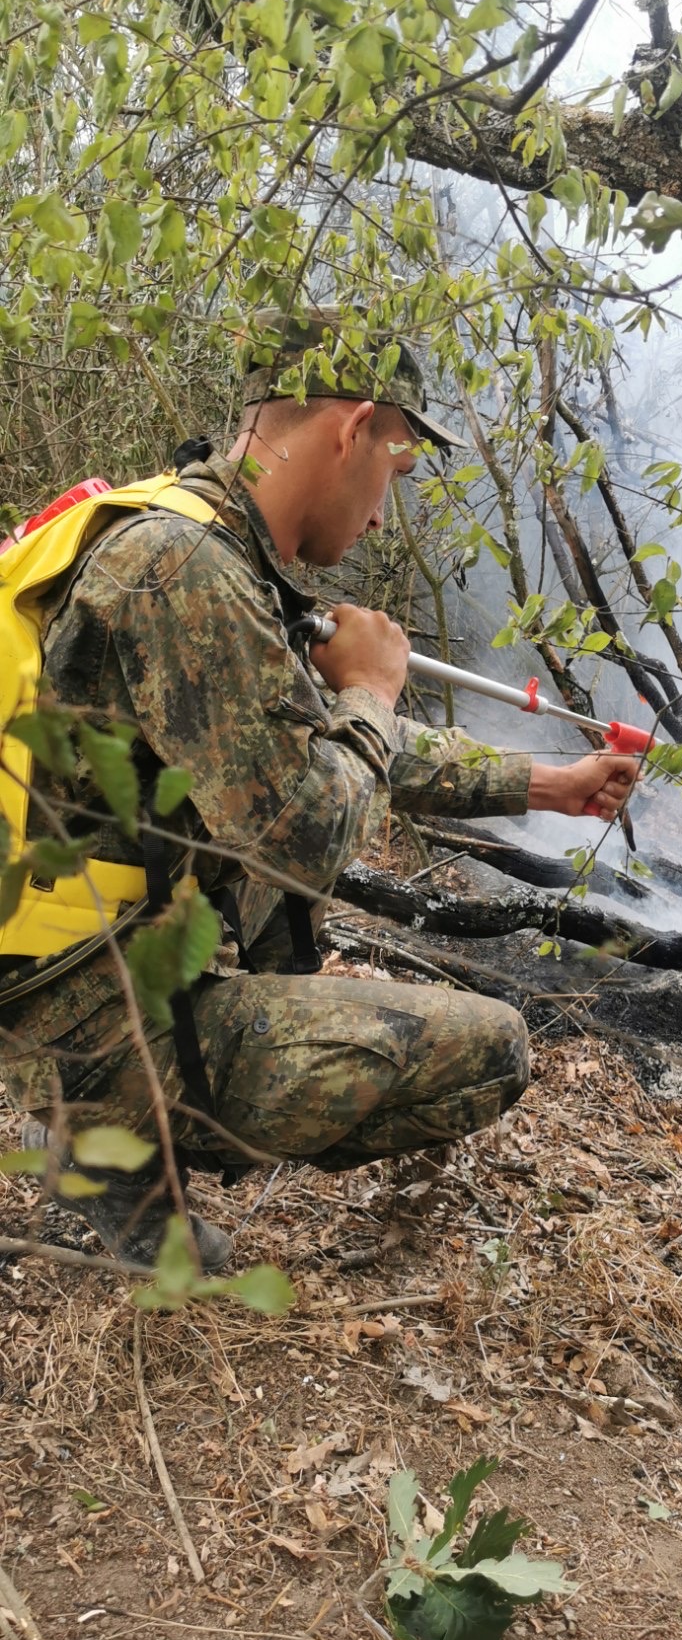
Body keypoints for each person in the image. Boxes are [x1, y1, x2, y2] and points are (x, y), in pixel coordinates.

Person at [1, 309, 637, 1269]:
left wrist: (547, 784)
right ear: (354, 429)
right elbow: (305, 831)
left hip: (73, 968)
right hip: (80, 1008)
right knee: (490, 1049)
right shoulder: (183, 570)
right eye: (398, 469)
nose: (384, 515)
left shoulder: (185, 527)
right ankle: (102, 1143)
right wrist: (374, 689)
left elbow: (300, 735)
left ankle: (110, 1141)